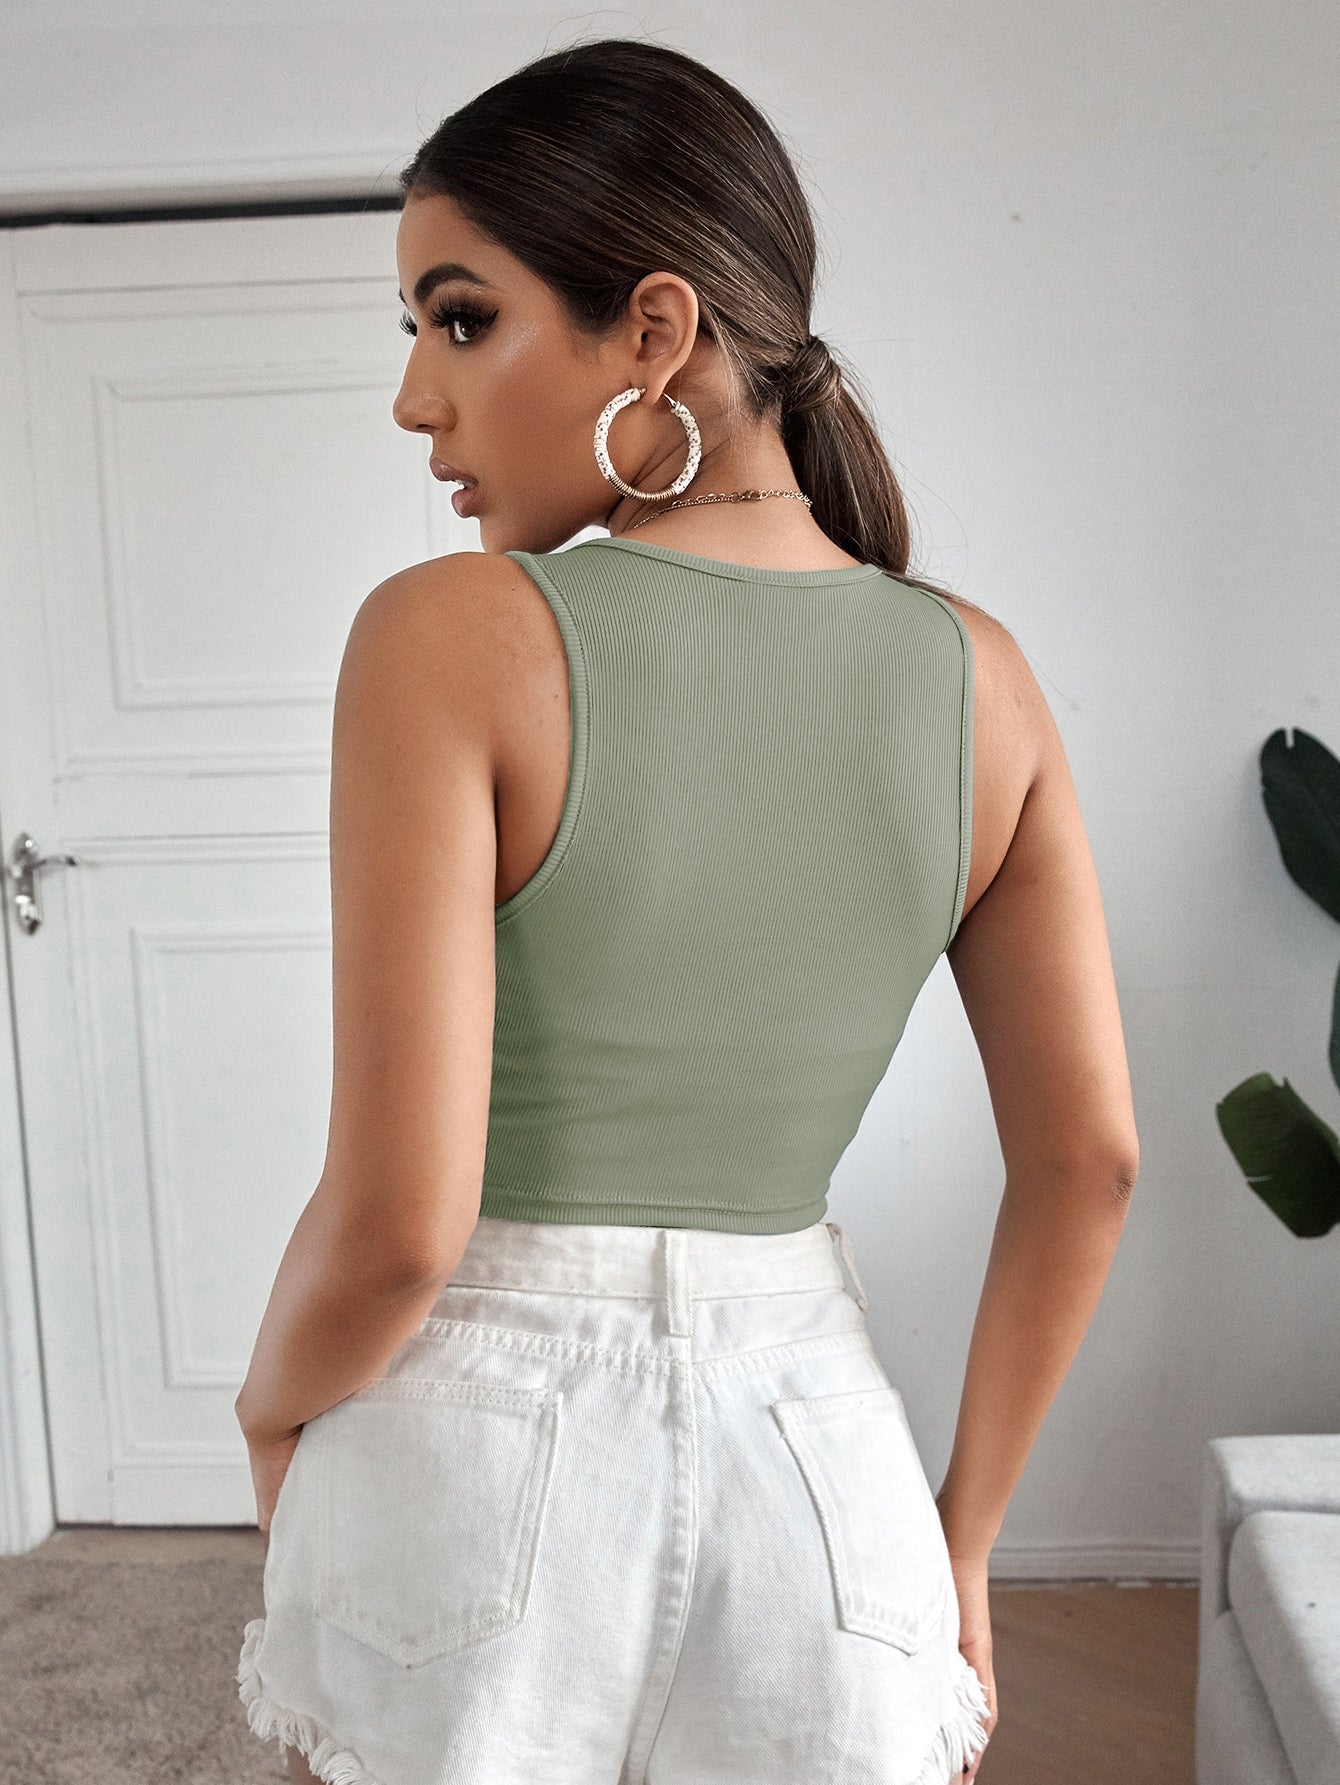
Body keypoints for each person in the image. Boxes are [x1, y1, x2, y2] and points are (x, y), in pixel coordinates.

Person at [232, 35, 1140, 1785]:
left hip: (468, 1453)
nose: (415, 398)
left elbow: (404, 1222)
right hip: (822, 1469)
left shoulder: (449, 638)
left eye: (460, 318)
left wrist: (272, 1405)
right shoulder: (988, 680)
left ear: (656, 329)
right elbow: (1091, 1158)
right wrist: (958, 1536)